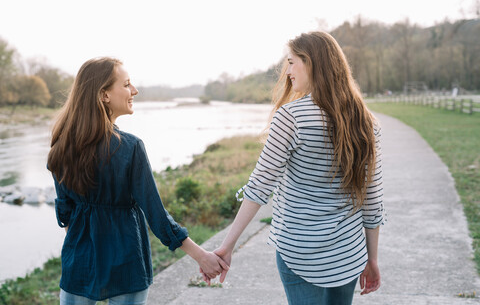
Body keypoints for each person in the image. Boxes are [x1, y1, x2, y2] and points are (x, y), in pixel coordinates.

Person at [213, 32, 385, 305]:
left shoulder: (291, 117)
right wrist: (371, 258)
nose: (288, 71)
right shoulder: (365, 121)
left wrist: (227, 245)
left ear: (312, 62)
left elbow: (259, 187)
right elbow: (372, 200)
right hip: (348, 254)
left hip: (300, 254)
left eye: (292, 62)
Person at [47, 57, 228, 305]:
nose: (135, 90)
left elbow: (66, 213)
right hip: (127, 264)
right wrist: (202, 256)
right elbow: (157, 216)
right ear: (104, 95)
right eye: (127, 84)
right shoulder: (130, 147)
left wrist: (86, 249)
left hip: (78, 264)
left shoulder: (61, 144)